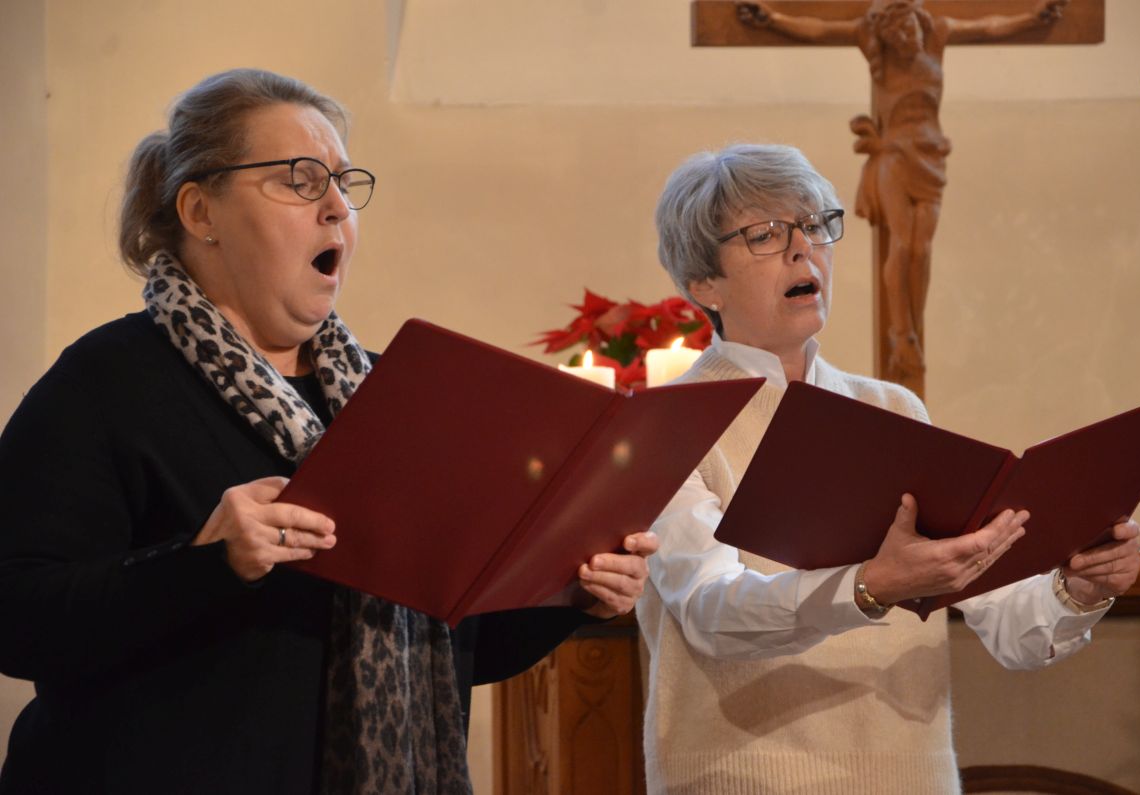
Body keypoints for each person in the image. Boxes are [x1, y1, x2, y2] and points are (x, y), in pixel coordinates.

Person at [0, 68, 656, 795]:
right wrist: (203, 564)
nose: (338, 207)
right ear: (200, 209)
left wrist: (572, 593)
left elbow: (458, 643)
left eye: (344, 183)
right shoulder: (107, 381)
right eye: (301, 181)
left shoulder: (393, 394)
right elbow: (17, 618)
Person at [637, 143, 1140, 794]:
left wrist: (1081, 589)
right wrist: (870, 586)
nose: (803, 249)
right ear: (703, 282)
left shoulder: (892, 409)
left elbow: (1011, 629)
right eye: (765, 235)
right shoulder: (669, 425)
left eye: (814, 226)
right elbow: (712, 615)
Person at [737, 0, 1068, 384]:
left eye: (910, 28)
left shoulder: (936, 37)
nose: (907, 37)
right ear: (887, 36)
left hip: (931, 158)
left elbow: (989, 26)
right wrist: (774, 18)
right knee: (904, 245)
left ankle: (911, 325)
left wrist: (1032, 18)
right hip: (894, 157)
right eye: (898, 33)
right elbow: (820, 28)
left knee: (920, 250)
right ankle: (902, 332)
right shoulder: (871, 40)